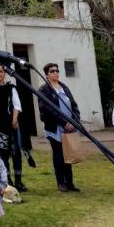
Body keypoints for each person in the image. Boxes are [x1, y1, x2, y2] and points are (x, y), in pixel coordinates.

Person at [38, 62, 81, 193]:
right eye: (52, 71)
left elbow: (74, 105)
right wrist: (64, 123)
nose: (55, 72)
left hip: (70, 127)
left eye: (57, 70)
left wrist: (74, 121)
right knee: (59, 155)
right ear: (46, 74)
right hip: (55, 128)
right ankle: (61, 182)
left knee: (69, 154)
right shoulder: (43, 90)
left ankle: (70, 182)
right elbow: (47, 109)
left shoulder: (64, 87)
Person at [0, 63, 27, 191]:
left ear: (5, 73)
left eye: (1, 71)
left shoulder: (11, 88)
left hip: (10, 125)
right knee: (2, 156)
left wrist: (14, 119)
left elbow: (17, 105)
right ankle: (7, 181)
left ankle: (18, 181)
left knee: (15, 154)